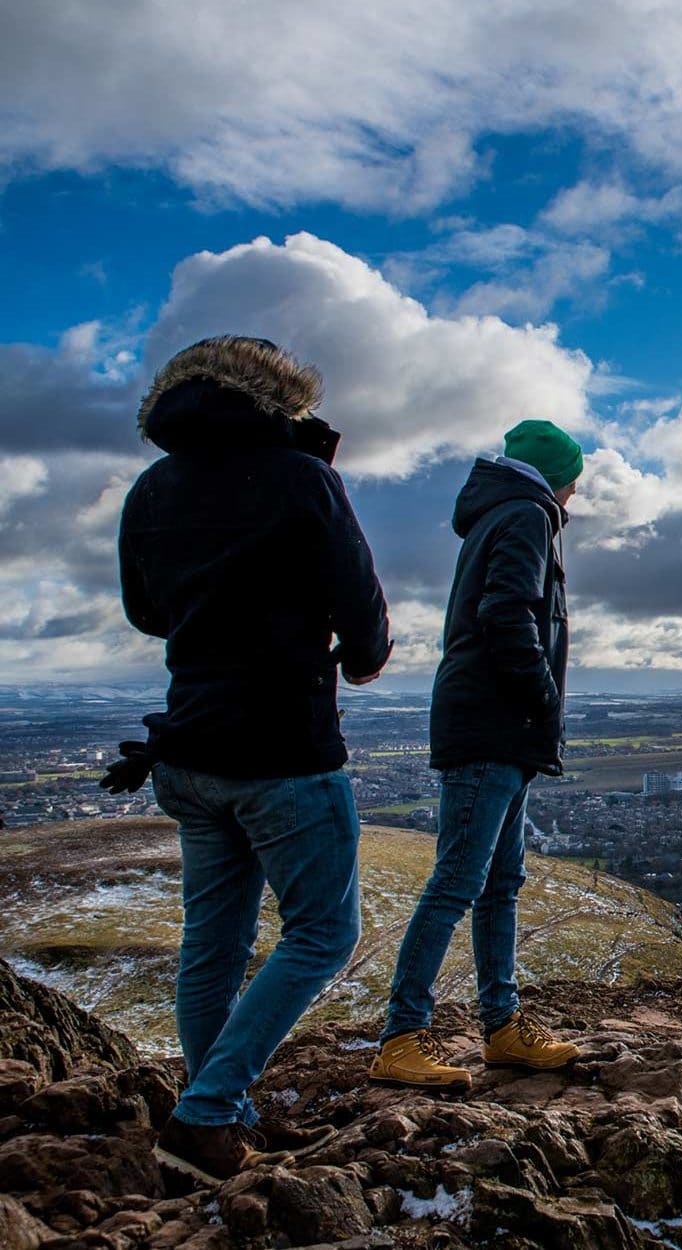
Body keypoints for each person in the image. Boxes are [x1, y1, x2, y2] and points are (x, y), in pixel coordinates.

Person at [115, 336, 391, 1182]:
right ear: (281, 398)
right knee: (321, 932)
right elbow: (362, 611)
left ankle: (217, 1112)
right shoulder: (303, 478)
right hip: (282, 748)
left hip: (189, 748)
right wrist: (354, 650)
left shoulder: (151, 488)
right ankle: (204, 1115)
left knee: (214, 943)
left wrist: (216, 620)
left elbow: (145, 612)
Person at [369, 420, 582, 1089]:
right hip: (494, 723)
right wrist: (542, 695)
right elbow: (507, 613)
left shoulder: (506, 514)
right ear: (558, 475)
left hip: (500, 726)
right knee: (460, 880)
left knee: (497, 883)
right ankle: (401, 1036)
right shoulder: (525, 515)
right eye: (576, 478)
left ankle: (503, 1028)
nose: (579, 492)